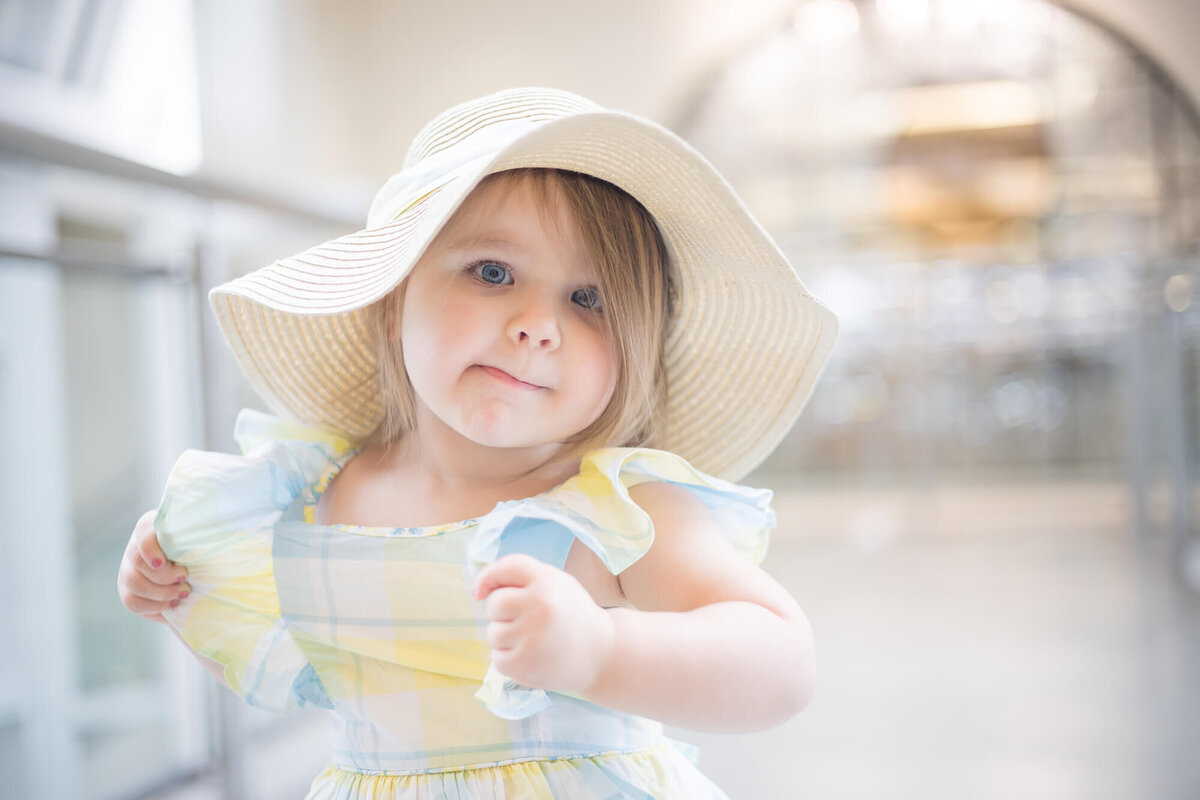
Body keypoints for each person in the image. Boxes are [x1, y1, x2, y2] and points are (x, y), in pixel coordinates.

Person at [116, 87, 838, 799]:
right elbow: (300, 670)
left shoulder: (615, 508)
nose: (536, 324)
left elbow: (781, 662)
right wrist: (178, 586)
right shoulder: (313, 492)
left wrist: (603, 651)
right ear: (395, 299)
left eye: (589, 300)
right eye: (493, 273)